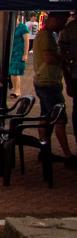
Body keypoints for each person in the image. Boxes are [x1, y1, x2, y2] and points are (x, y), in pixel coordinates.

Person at [31, 11, 77, 167]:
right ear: (55, 19)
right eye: (63, 21)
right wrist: (68, 56)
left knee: (46, 117)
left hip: (45, 81)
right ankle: (68, 155)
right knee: (60, 119)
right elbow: (49, 59)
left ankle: (44, 151)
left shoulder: (47, 35)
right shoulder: (45, 36)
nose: (64, 24)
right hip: (48, 83)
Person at [9, 16, 31, 98]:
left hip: (19, 51)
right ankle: (15, 89)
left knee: (15, 71)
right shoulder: (11, 27)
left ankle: (17, 90)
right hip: (12, 51)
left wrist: (25, 54)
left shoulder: (23, 27)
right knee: (12, 71)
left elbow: (27, 42)